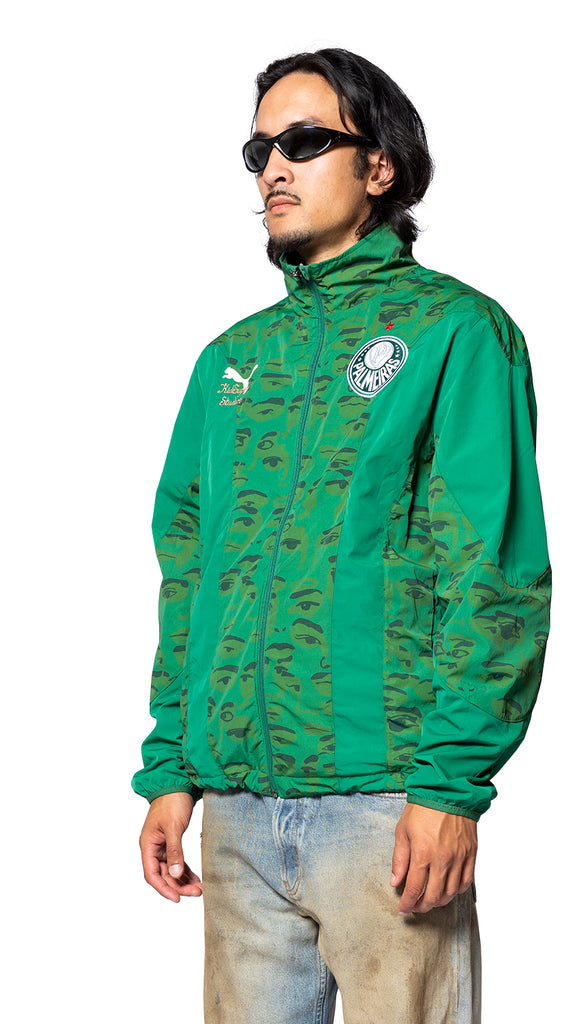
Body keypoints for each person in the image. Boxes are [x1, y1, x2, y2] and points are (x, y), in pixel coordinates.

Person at [133, 47, 551, 1024]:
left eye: (305, 141)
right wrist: (171, 769)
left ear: (379, 167)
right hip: (237, 807)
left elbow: (491, 570)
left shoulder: (454, 333)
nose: (273, 168)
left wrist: (448, 787)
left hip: (386, 802)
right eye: (259, 150)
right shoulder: (232, 360)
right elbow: (190, 573)